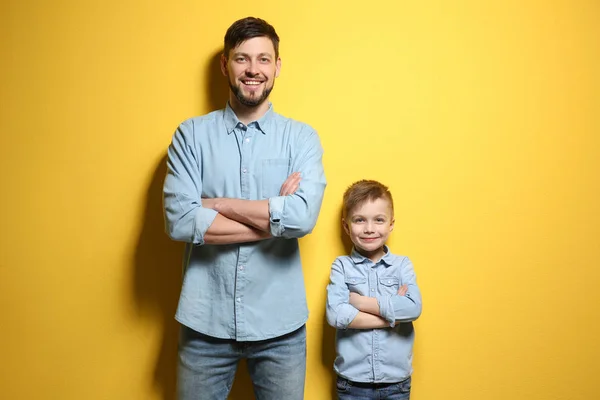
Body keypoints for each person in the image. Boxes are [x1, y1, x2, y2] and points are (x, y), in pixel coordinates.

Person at [162, 16, 326, 400]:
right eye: (242, 59)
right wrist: (275, 217)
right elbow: (180, 220)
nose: (253, 69)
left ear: (277, 66)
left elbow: (302, 218)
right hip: (205, 324)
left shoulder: (301, 138)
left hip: (280, 328)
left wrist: (216, 205)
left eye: (264, 59)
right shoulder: (191, 135)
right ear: (225, 65)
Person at [326, 180, 422, 400]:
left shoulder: (402, 266)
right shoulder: (341, 266)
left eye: (378, 220)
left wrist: (360, 303)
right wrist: (392, 317)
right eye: (359, 220)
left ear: (391, 224)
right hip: (352, 383)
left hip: (396, 383)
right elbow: (336, 315)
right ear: (346, 225)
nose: (369, 228)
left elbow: (413, 308)